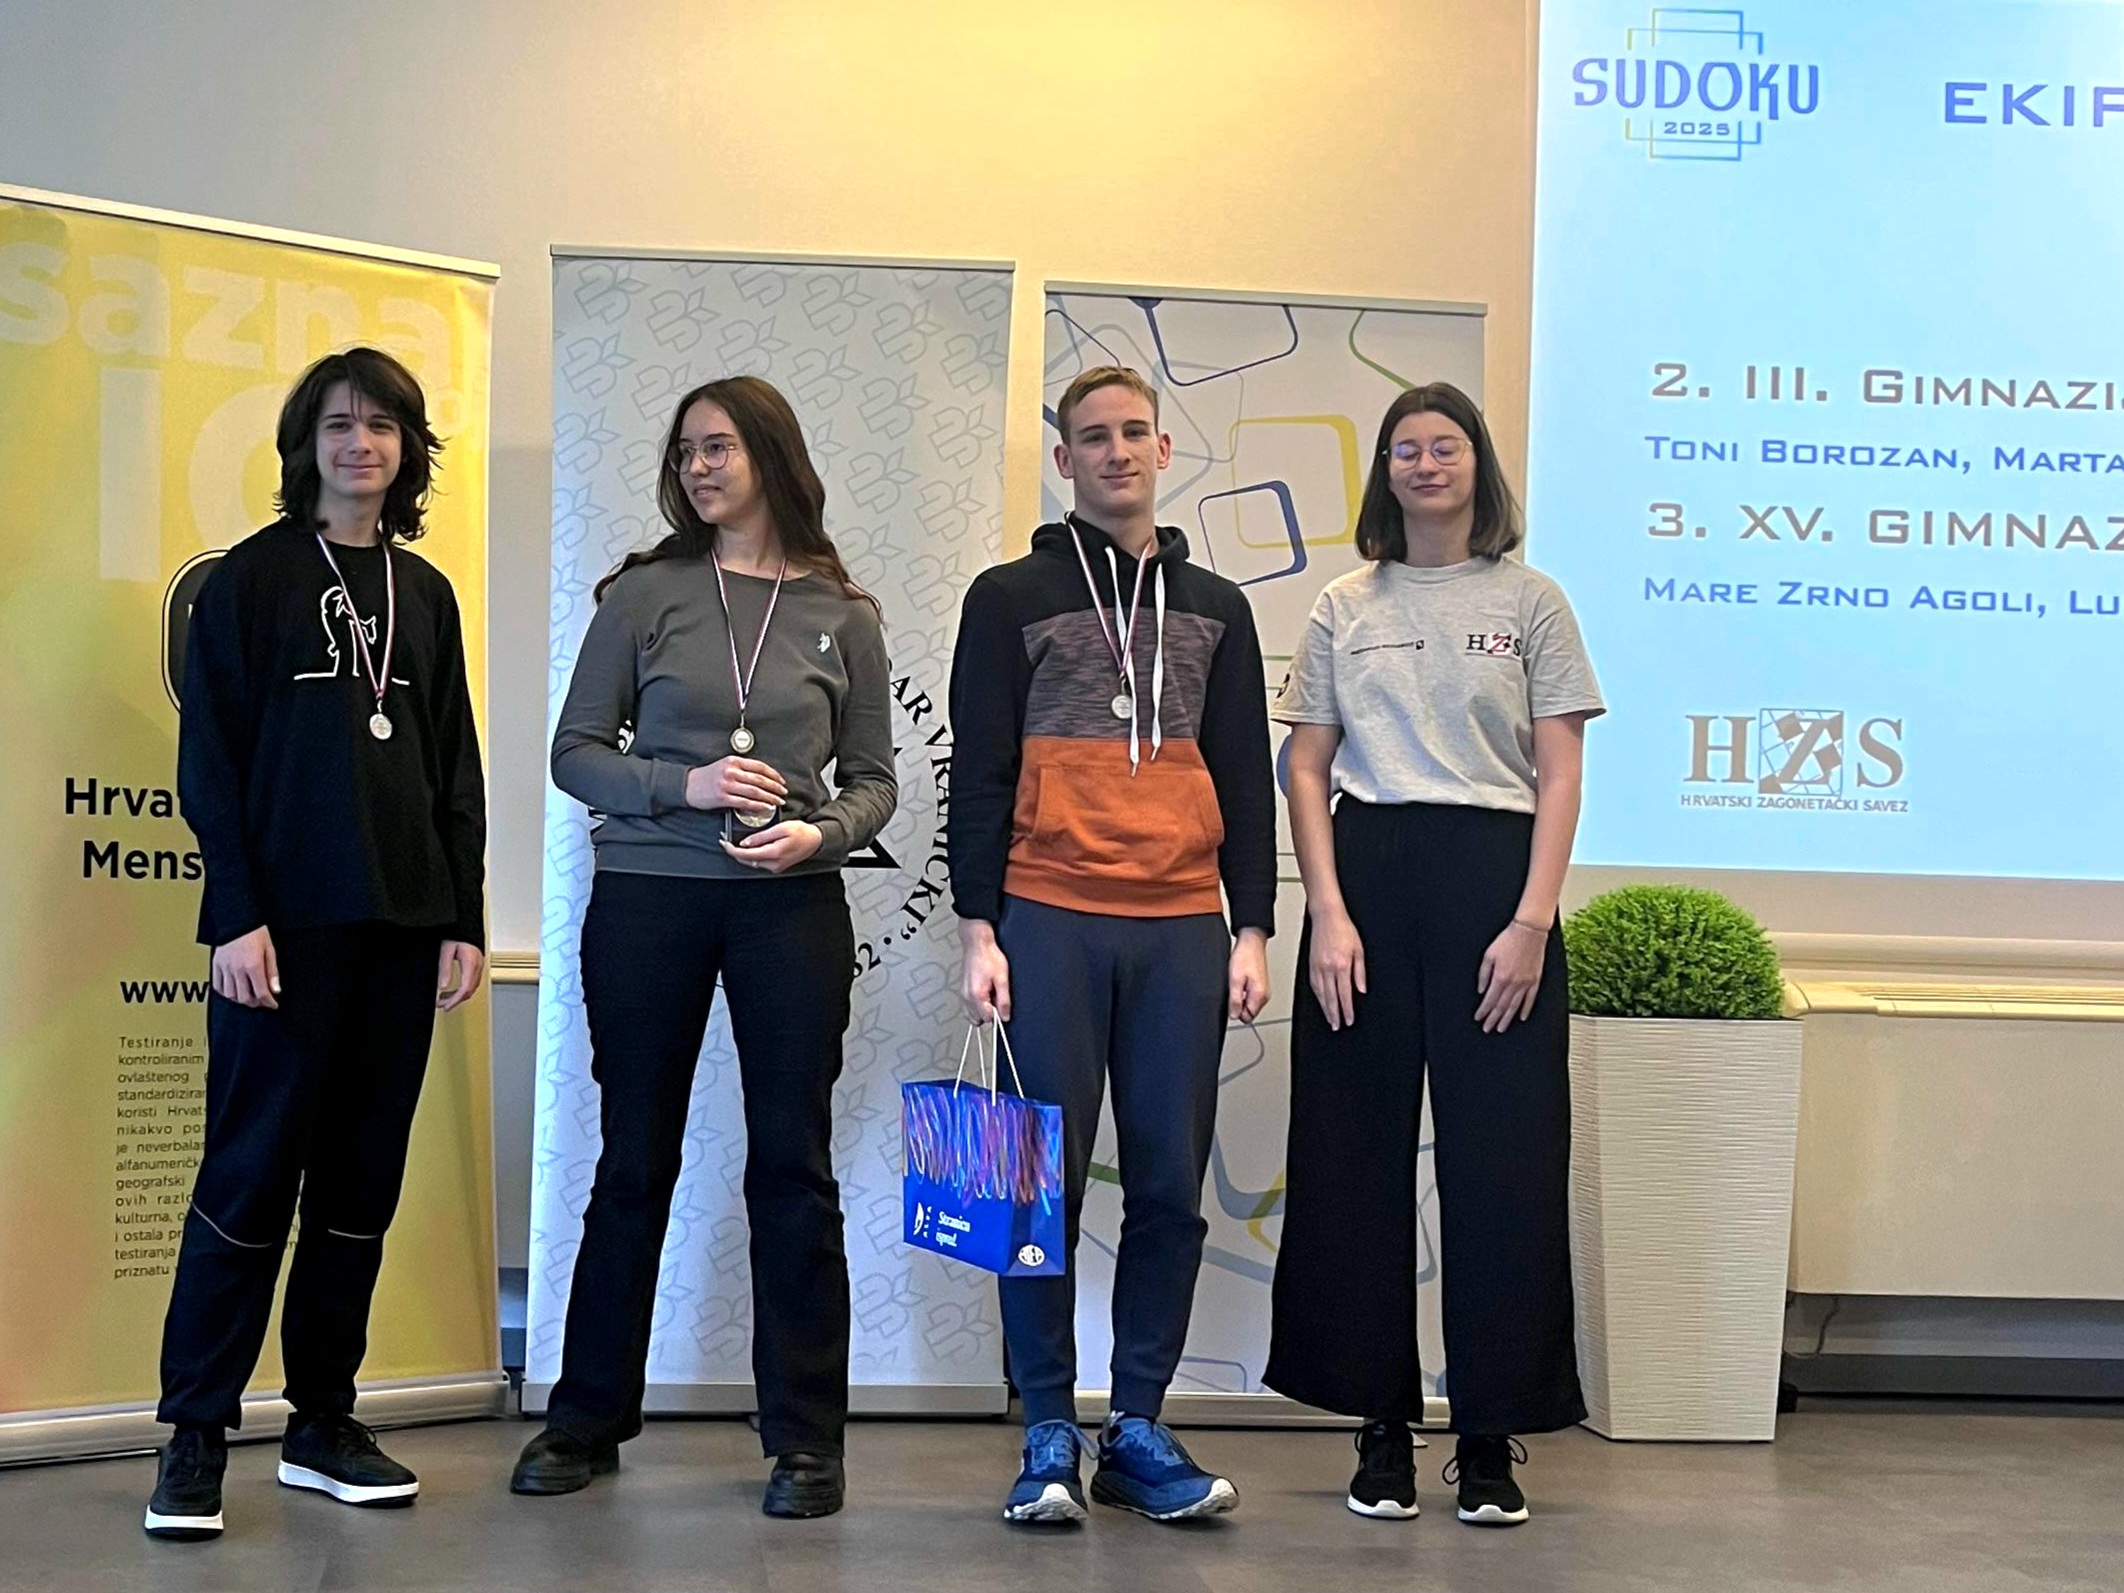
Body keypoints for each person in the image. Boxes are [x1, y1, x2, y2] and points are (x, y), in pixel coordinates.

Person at [511, 376, 895, 1520]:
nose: (697, 468)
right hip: (648, 896)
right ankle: (585, 1420)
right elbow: (576, 752)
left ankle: (807, 1443)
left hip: (790, 908)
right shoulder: (645, 594)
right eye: (685, 451)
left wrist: (822, 834)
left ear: (771, 455)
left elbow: (875, 780)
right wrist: (686, 786)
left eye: (718, 447)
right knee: (634, 1160)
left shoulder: (843, 614)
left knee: (793, 1166)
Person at [145, 348, 487, 1542]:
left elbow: (453, 766)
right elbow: (210, 762)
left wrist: (463, 917)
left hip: (402, 929)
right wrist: (234, 913)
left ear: (407, 449)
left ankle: (322, 1423)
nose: (361, 444)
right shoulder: (252, 579)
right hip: (281, 937)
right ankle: (195, 1435)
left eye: (382, 425)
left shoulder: (425, 592)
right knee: (248, 1181)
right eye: (339, 425)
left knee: (357, 1190)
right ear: (306, 445)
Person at [1263, 382, 1603, 1527]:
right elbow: (1306, 766)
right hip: (1365, 882)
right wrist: (1328, 910)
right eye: (1405, 449)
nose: (1424, 464)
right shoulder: (1343, 604)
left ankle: (1492, 1436)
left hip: (1496, 886)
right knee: (1352, 1158)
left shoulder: (1533, 600)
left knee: (1505, 1165)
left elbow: (1561, 771)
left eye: (1443, 446)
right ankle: (1379, 1427)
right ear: (1386, 473)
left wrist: (1532, 921)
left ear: (1477, 465)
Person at [948, 365, 1275, 1525]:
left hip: (1183, 927)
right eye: (1094, 437)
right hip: (1046, 916)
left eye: (1135, 432)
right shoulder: (1008, 596)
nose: (1117, 451)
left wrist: (1251, 925)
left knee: (1170, 1189)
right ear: (1065, 459)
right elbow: (981, 768)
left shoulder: (1219, 607)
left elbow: (1245, 774)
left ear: (1164, 449)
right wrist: (978, 927)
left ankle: (1136, 1425)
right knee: (1032, 1184)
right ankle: (1047, 1428)